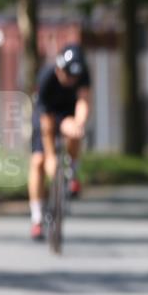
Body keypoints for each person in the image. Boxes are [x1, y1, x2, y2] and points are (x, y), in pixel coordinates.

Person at [28, 44, 92, 240]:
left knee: (74, 131)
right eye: (67, 75)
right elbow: (46, 125)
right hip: (46, 115)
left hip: (67, 114)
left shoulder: (83, 74)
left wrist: (79, 125)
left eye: (75, 77)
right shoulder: (46, 78)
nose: (71, 80)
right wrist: (50, 156)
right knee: (38, 162)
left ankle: (71, 170)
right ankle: (37, 218)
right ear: (58, 69)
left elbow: (83, 101)